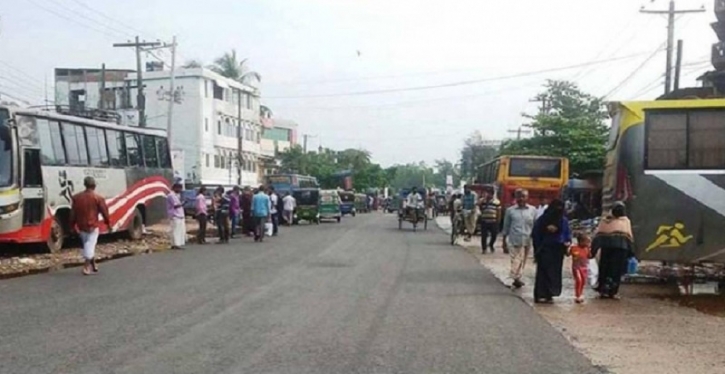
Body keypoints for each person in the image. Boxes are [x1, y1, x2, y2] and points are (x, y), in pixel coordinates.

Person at [531, 199, 571, 303]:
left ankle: (550, 294)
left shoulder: (563, 220)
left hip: (558, 251)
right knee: (543, 272)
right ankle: (540, 294)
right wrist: (537, 249)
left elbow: (567, 234)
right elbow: (535, 234)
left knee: (554, 273)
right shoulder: (542, 220)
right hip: (545, 249)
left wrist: (567, 243)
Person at [591, 201, 634, 299]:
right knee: (615, 271)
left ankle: (605, 290)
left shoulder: (605, 221)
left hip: (608, 249)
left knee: (606, 269)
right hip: (620, 250)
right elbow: (629, 238)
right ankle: (611, 291)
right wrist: (631, 252)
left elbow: (598, 237)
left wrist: (593, 251)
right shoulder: (625, 221)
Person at [71, 177, 111, 275]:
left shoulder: (76, 198)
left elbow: (72, 213)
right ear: (94, 186)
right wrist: (108, 223)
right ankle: (86, 266)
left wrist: (72, 225)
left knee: (87, 244)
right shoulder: (98, 198)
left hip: (81, 226)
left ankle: (93, 264)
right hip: (92, 226)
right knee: (90, 245)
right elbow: (104, 212)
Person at [501, 188, 537, 288]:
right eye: (519, 196)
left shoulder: (533, 210)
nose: (521, 198)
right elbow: (506, 226)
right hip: (514, 239)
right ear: (515, 198)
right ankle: (512, 277)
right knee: (515, 259)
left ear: (527, 197)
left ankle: (517, 278)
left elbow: (535, 225)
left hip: (527, 239)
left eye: (523, 196)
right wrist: (504, 241)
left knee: (523, 260)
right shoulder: (510, 211)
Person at [568, 232, 591, 304]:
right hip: (576, 267)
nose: (587, 244)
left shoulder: (587, 249)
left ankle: (580, 293)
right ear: (580, 241)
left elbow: (589, 256)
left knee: (583, 281)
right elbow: (568, 254)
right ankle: (577, 295)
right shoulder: (574, 248)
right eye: (586, 242)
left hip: (584, 267)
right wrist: (568, 247)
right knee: (579, 280)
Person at [478, 188, 501, 253]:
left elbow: (498, 212)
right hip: (484, 221)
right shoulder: (482, 201)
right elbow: (479, 207)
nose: (487, 195)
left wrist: (498, 221)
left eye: (489, 193)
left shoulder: (496, 202)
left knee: (494, 235)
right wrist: (482, 201)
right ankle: (484, 248)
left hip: (493, 221)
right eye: (486, 193)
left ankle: (491, 244)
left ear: (492, 194)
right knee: (484, 235)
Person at [166, 182, 187, 249]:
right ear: (175, 188)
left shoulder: (176, 195)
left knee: (180, 230)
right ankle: (175, 244)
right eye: (180, 188)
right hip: (175, 215)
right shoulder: (171, 195)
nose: (180, 190)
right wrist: (183, 203)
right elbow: (175, 206)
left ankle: (178, 243)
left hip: (179, 215)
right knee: (175, 230)